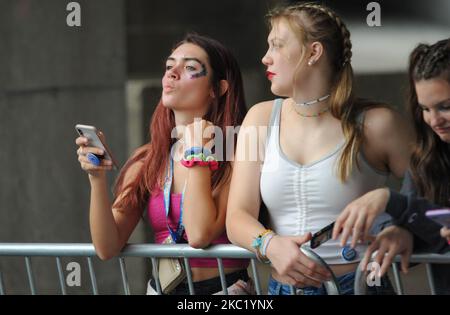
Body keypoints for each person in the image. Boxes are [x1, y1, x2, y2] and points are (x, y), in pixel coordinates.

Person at [226, 2, 412, 295]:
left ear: (313, 52)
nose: (265, 58)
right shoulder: (259, 119)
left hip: (361, 287)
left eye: (277, 46)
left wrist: (404, 229)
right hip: (282, 290)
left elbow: (435, 195)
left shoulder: (378, 124)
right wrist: (270, 243)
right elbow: (236, 216)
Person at [75, 33, 253, 295]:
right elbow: (107, 247)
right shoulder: (148, 158)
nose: (172, 73)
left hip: (225, 291)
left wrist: (196, 153)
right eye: (169, 66)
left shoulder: (235, 152)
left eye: (190, 68)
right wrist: (97, 178)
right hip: (162, 289)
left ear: (218, 89)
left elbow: (199, 235)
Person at [333, 38, 450, 294]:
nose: (434, 120)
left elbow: (411, 208)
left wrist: (390, 199)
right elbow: (427, 220)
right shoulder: (427, 155)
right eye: (424, 109)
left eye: (445, 107)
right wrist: (400, 231)